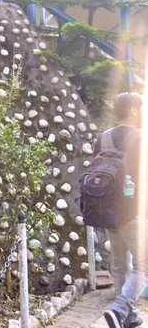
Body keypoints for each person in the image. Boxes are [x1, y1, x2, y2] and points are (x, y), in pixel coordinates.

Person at [102, 92, 147, 328]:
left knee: (119, 267)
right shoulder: (141, 138)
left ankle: (128, 318)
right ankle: (119, 311)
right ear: (133, 111)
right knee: (142, 268)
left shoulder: (104, 138)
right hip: (134, 213)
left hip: (108, 213)